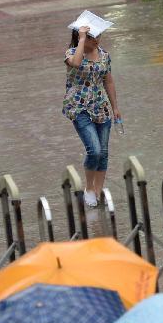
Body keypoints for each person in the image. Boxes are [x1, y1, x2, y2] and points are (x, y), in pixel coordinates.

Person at [63, 23, 121, 208]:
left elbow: (109, 81)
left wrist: (115, 107)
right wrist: (81, 39)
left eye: (99, 36)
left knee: (103, 152)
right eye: (94, 37)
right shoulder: (71, 53)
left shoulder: (104, 55)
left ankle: (98, 189)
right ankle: (89, 188)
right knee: (94, 150)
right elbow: (76, 63)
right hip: (79, 108)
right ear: (84, 39)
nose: (98, 40)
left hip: (101, 107)